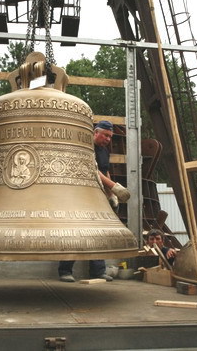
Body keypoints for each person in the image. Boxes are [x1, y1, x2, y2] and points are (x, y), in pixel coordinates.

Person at [58, 120, 131, 282]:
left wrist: (111, 195)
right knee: (75, 231)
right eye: (105, 135)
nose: (108, 139)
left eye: (110, 136)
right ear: (95, 132)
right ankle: (65, 270)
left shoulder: (104, 151)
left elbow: (104, 171)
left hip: (96, 197)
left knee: (98, 232)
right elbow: (92, 170)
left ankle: (98, 271)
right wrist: (115, 187)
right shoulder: (84, 148)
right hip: (79, 195)